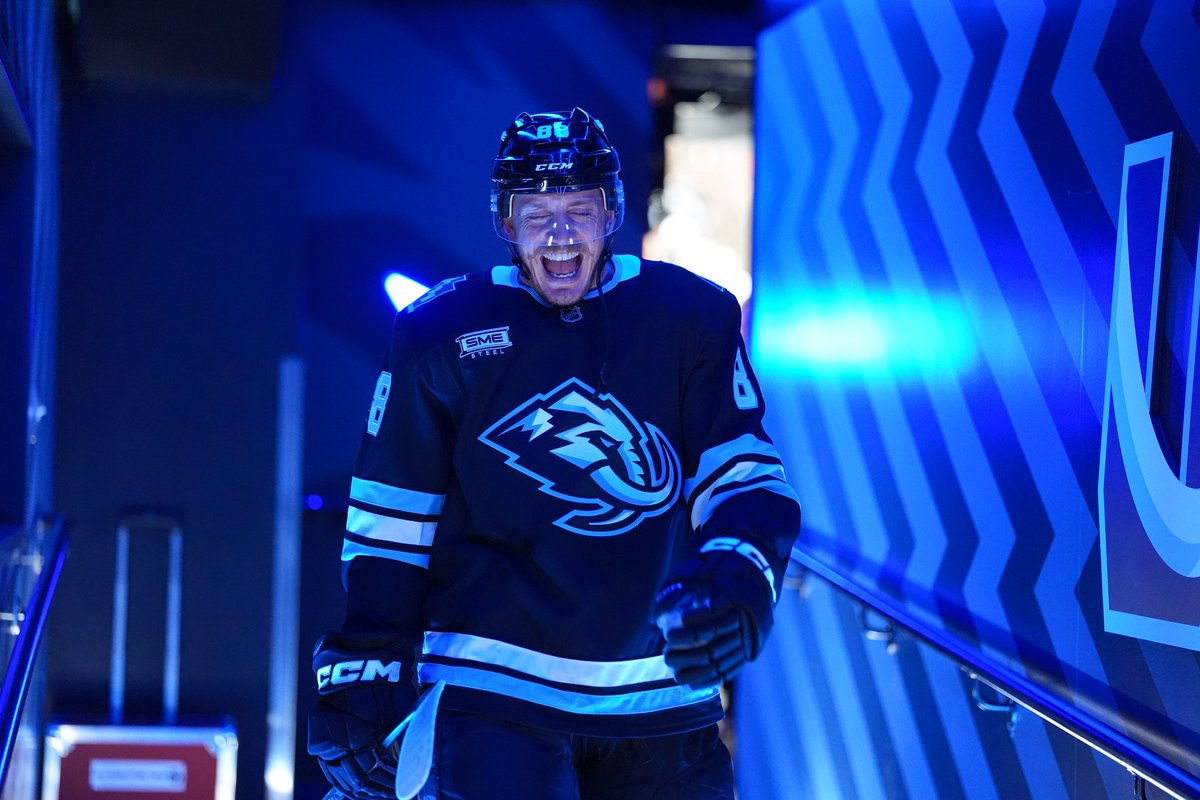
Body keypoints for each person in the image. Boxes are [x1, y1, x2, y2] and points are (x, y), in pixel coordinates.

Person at [308, 107, 801, 799]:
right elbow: (393, 521)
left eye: (579, 210)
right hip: (491, 690)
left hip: (660, 696)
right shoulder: (440, 330)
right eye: (537, 213)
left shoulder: (692, 316)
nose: (561, 234)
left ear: (612, 213)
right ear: (506, 223)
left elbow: (744, 479)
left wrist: (742, 569)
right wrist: (367, 658)